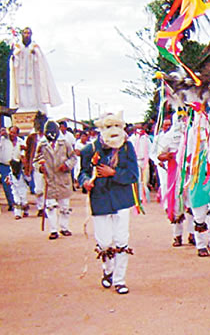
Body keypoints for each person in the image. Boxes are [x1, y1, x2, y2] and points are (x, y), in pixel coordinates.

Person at [79, 112, 139, 295]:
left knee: (122, 240)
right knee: (104, 242)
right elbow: (82, 172)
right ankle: (108, 271)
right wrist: (85, 182)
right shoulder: (89, 150)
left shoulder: (127, 148)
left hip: (121, 200)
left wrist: (113, 173)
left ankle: (120, 280)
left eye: (117, 127)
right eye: (109, 127)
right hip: (100, 200)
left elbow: (133, 175)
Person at [33, 120, 77, 240]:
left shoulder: (65, 143)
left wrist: (67, 165)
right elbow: (36, 160)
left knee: (64, 207)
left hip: (63, 179)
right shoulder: (41, 145)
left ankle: (64, 227)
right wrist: (40, 167)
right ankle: (53, 230)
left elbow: (73, 157)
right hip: (49, 180)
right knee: (50, 206)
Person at [9, 27, 62, 112]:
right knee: (22, 92)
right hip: (21, 75)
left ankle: (32, 107)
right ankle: (23, 107)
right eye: (25, 33)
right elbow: (14, 61)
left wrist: (35, 55)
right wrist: (15, 55)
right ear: (22, 35)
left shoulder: (35, 46)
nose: (27, 35)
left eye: (28, 33)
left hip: (32, 76)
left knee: (32, 93)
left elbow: (40, 61)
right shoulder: (18, 46)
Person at [0, 126, 23, 211]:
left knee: (17, 184)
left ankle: (18, 202)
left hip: (16, 165)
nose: (12, 134)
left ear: (17, 134)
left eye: (14, 133)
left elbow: (24, 152)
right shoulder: (3, 140)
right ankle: (11, 203)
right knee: (7, 184)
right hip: (5, 165)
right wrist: (0, 135)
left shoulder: (20, 141)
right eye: (11, 132)